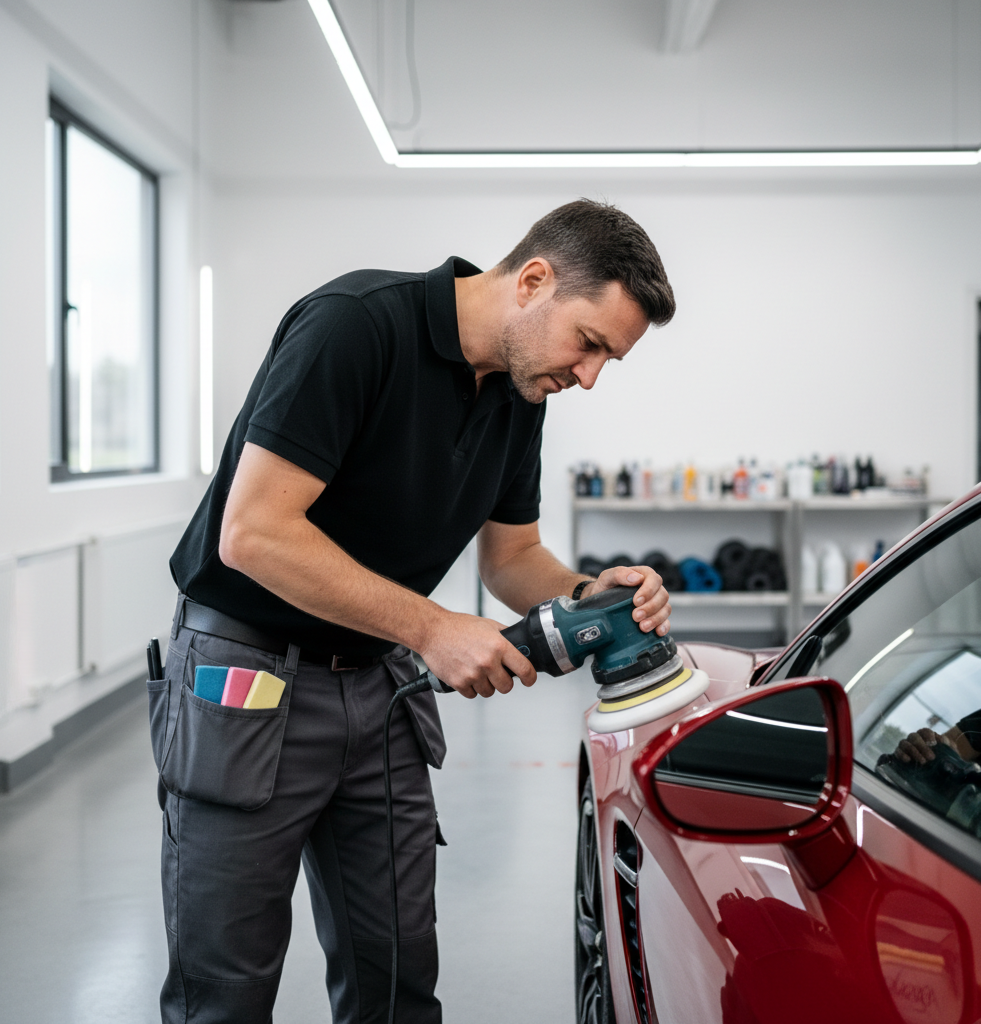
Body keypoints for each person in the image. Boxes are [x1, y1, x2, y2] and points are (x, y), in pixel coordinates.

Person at [151, 199, 676, 1024]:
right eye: (589, 342)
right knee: (225, 992)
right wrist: (432, 629)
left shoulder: (521, 396)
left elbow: (512, 560)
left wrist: (588, 594)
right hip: (245, 682)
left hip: (377, 683)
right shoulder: (355, 326)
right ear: (533, 281)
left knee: (396, 977)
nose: (589, 376)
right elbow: (252, 534)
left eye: (608, 358)